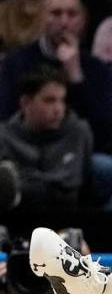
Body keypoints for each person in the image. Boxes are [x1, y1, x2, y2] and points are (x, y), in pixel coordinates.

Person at [0, 0, 112, 155]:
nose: (64, 22)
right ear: (41, 19)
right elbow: (5, 118)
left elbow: (101, 134)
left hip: (77, 153)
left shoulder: (96, 68)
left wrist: (75, 76)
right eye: (55, 13)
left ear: (82, 20)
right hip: (25, 149)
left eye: (72, 14)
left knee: (103, 167)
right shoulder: (16, 62)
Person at [0, 67, 93, 212]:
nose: (58, 109)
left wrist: (25, 184)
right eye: (49, 101)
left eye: (62, 100)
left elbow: (75, 187)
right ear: (25, 103)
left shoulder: (78, 131)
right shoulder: (4, 136)